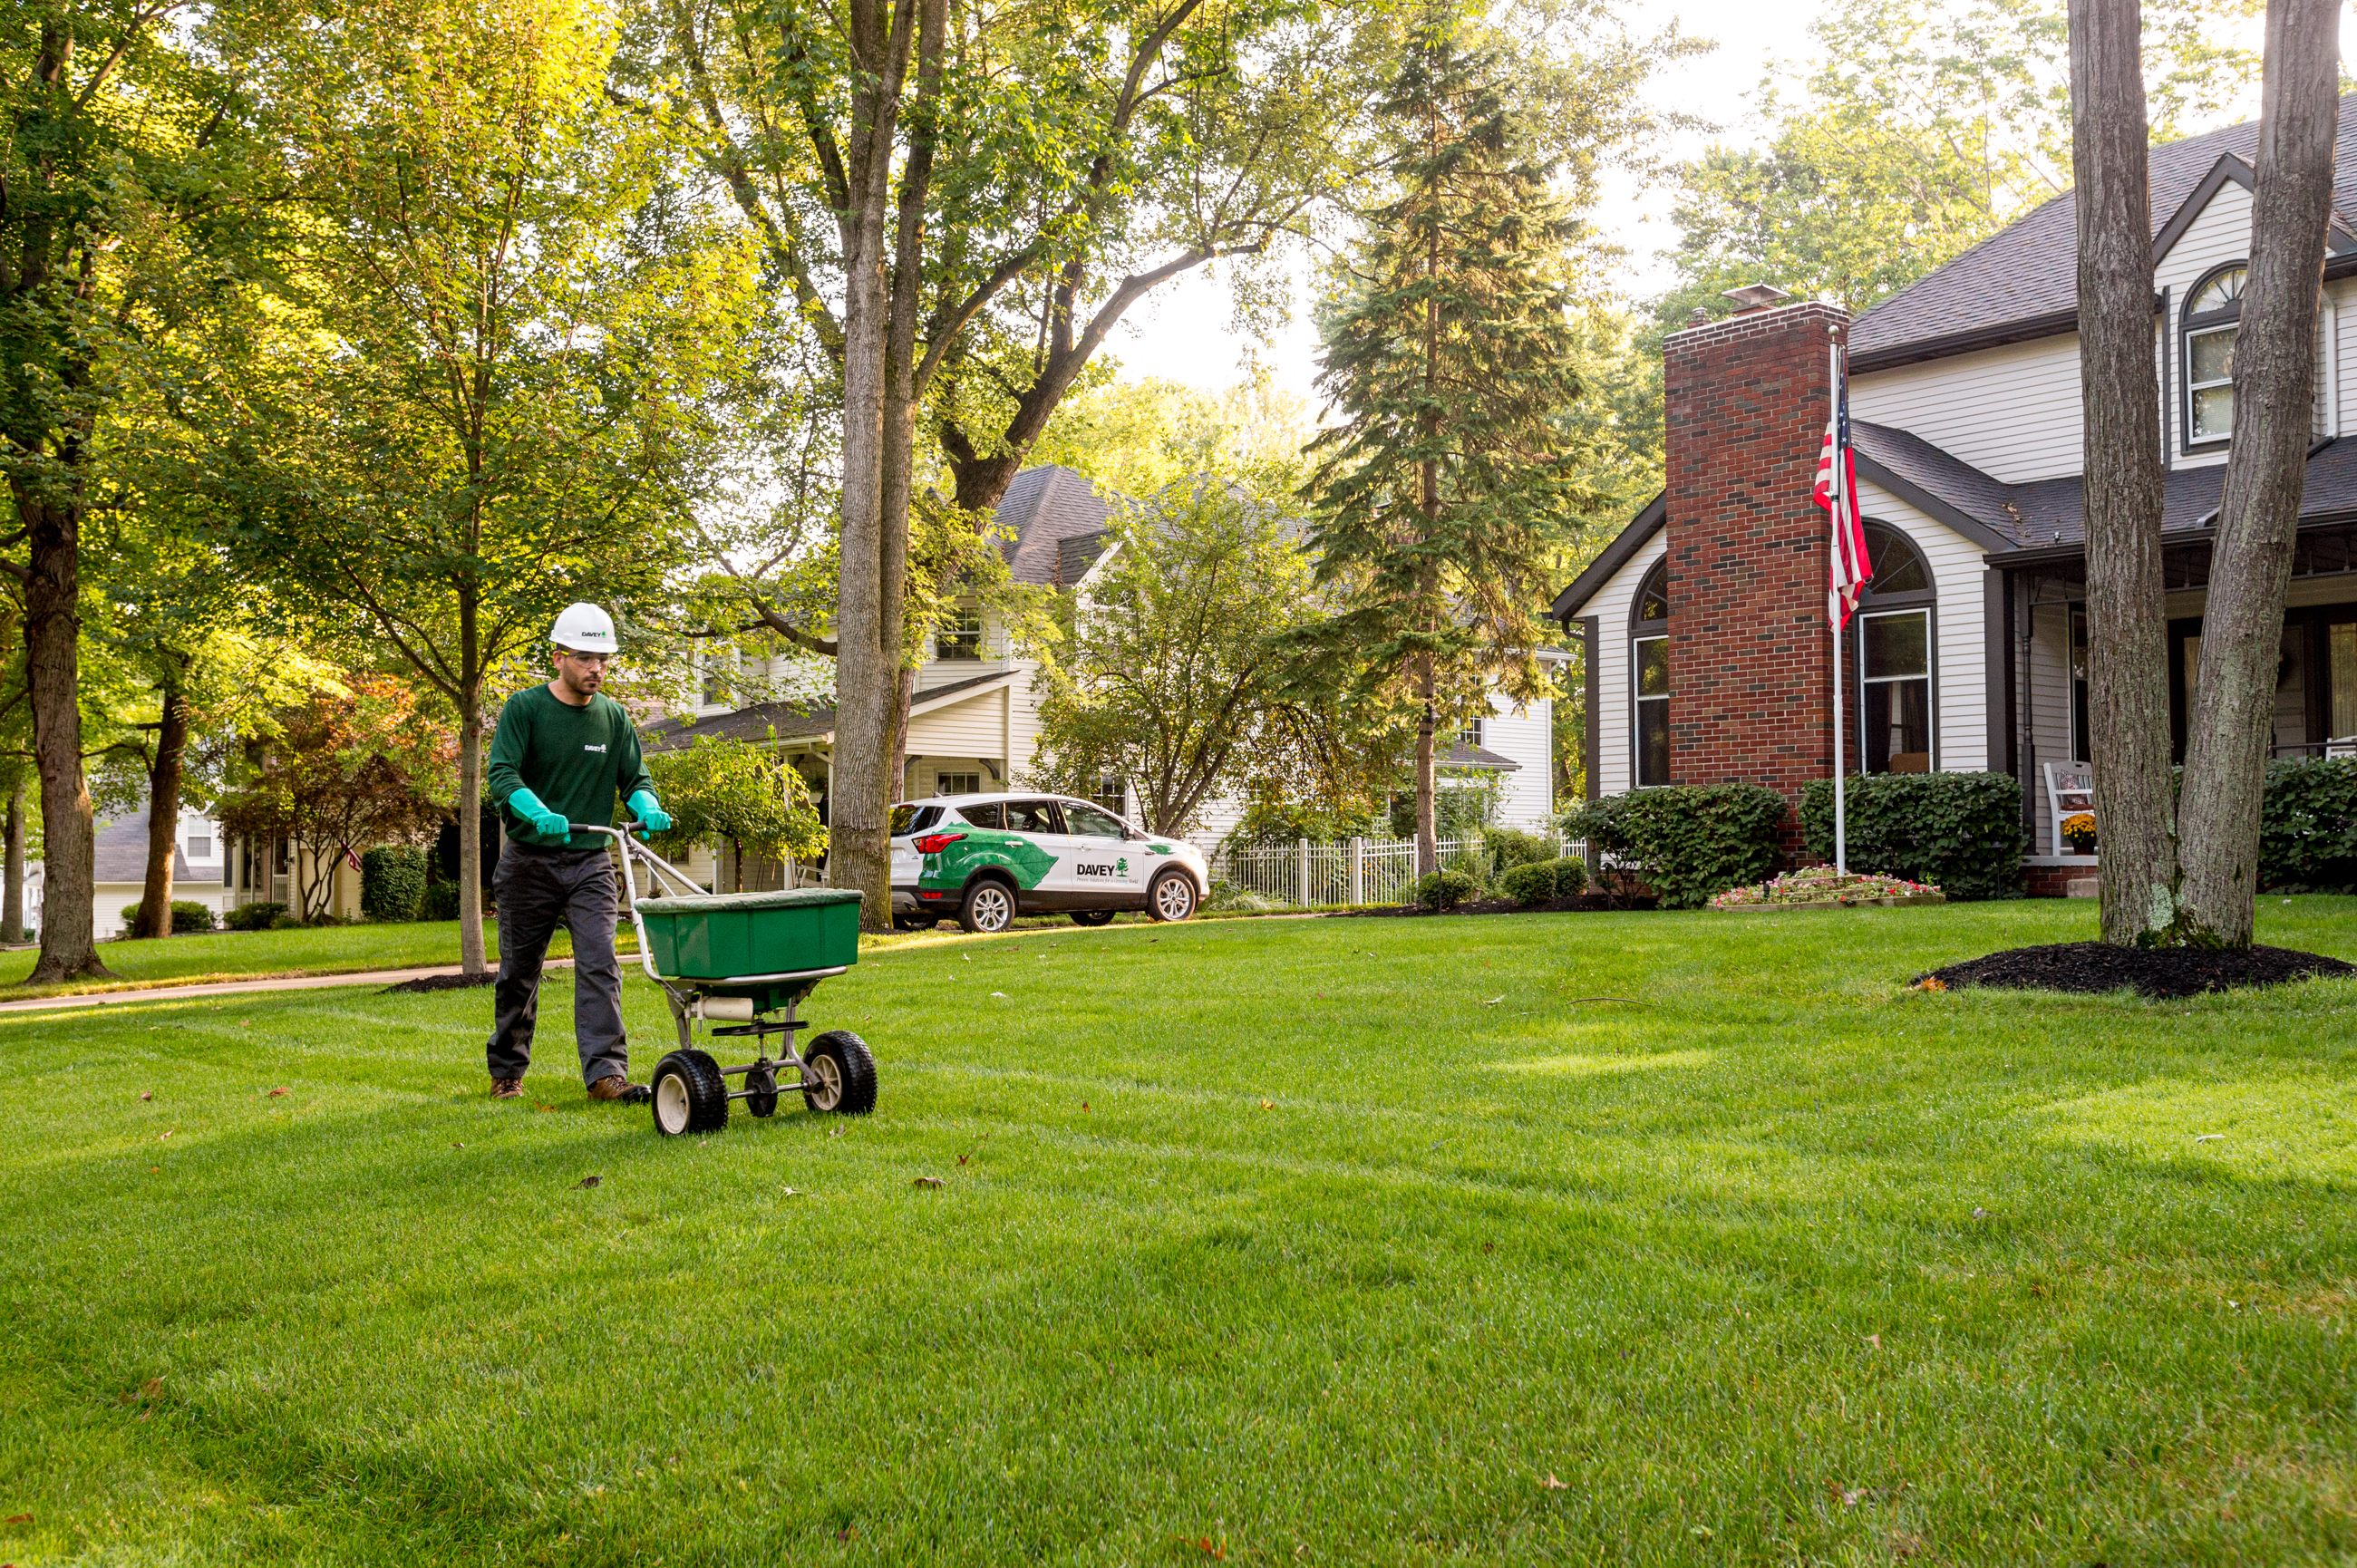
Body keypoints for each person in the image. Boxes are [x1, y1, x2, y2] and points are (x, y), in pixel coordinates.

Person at [482, 602, 674, 1102]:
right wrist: (536, 811)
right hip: (529, 861)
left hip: (591, 861)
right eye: (587, 658)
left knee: (601, 963)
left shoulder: (613, 718)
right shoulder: (524, 709)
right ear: (559, 656)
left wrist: (648, 806)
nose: (597, 669)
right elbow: (502, 775)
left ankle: (606, 1076)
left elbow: (635, 778)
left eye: (604, 659)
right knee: (519, 973)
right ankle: (507, 1072)